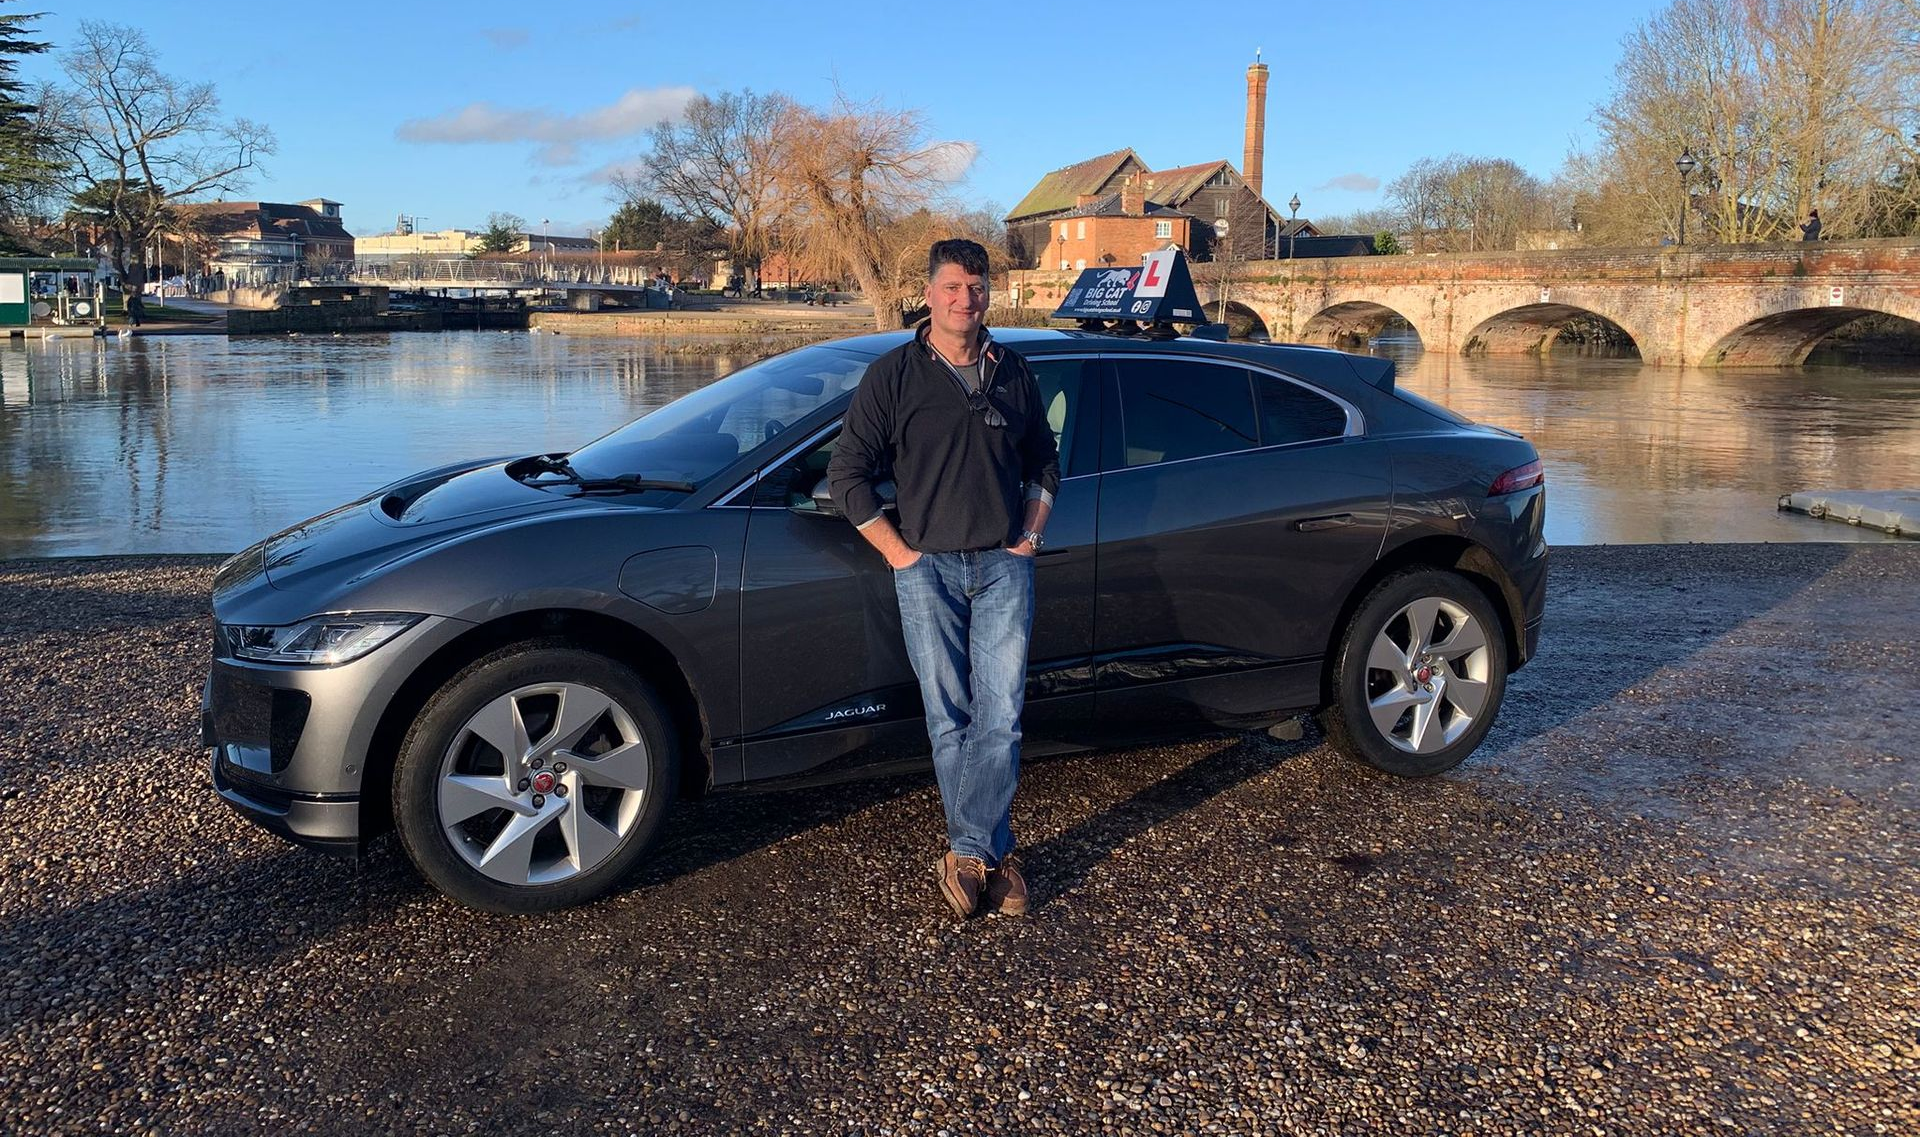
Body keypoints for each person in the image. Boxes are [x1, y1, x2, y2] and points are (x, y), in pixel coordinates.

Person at [828, 239, 1059, 919]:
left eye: (978, 287)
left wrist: (1029, 538)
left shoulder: (1012, 371)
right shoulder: (893, 376)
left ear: (990, 292)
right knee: (949, 716)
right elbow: (846, 477)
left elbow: (1044, 463)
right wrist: (900, 553)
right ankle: (991, 853)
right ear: (929, 293)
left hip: (1002, 567)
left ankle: (970, 855)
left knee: (1003, 716)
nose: (967, 299)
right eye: (954, 287)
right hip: (926, 568)